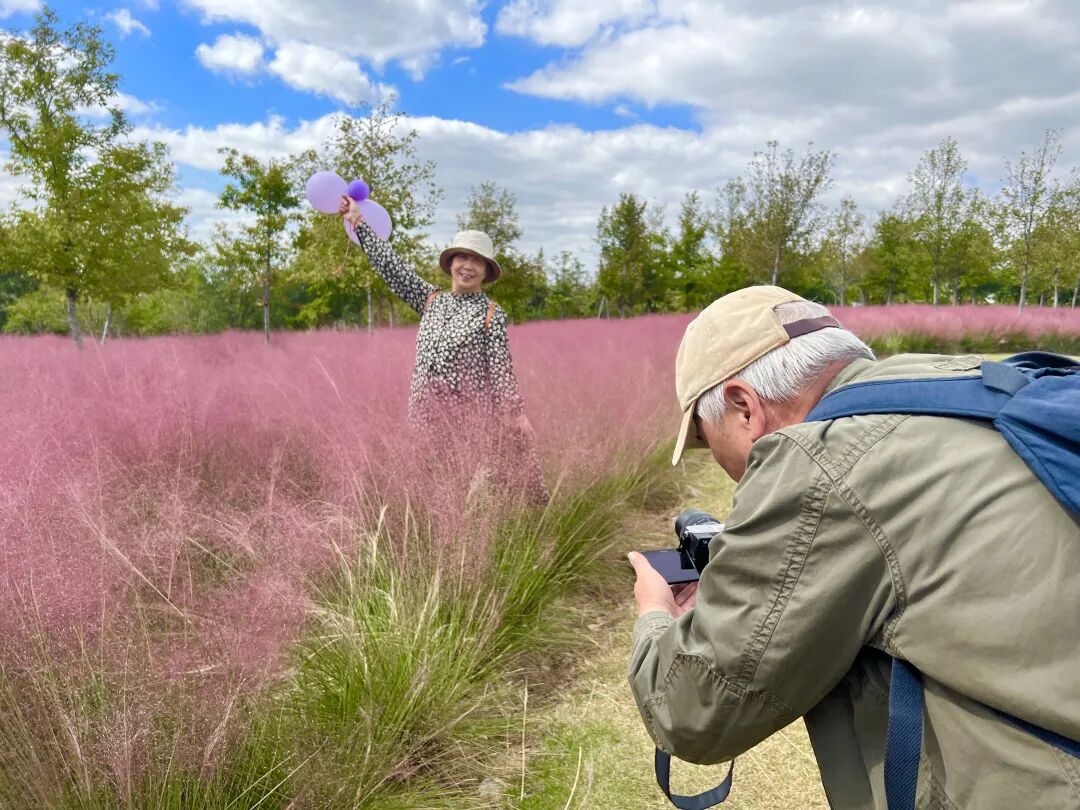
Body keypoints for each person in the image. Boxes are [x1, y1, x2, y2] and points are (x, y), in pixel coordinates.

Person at [626, 285, 1080, 808]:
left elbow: (693, 714)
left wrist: (656, 616)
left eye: (707, 439)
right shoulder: (959, 381)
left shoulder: (819, 464)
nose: (720, 464)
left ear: (743, 406)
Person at [339, 196, 547, 504]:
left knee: (467, 494)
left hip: (467, 423)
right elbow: (392, 268)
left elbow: (501, 367)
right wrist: (358, 221)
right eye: (462, 257)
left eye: (477, 261)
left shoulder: (490, 313)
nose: (468, 266)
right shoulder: (431, 300)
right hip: (424, 418)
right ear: (450, 263)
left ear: (487, 272)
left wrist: (515, 413)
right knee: (430, 490)